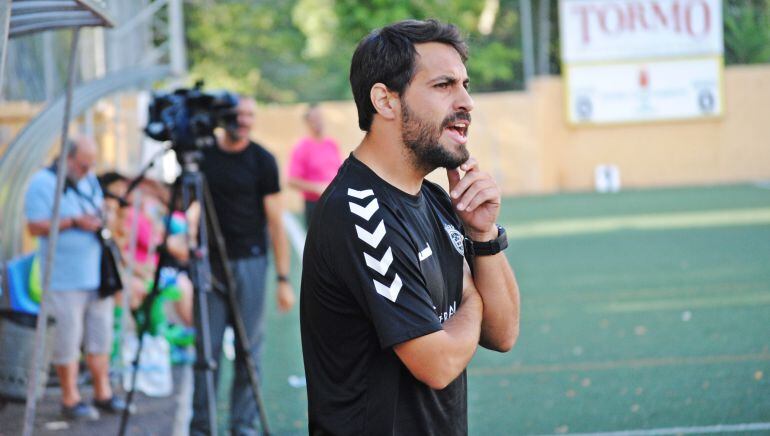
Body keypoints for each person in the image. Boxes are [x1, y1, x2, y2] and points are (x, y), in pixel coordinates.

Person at [299, 19, 521, 435]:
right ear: (385, 101)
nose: (467, 101)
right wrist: (471, 298)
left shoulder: (436, 200)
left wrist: (483, 235)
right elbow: (438, 364)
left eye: (465, 85)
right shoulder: (359, 215)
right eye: (443, 86)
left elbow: (504, 332)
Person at [191, 96, 296, 435]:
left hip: (250, 262)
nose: (245, 120)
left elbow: (275, 223)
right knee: (206, 353)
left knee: (247, 351)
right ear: (225, 117)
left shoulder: (262, 160)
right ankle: (202, 427)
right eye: (239, 114)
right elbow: (186, 205)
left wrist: (282, 278)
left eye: (251, 114)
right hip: (209, 265)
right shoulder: (203, 156)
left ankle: (243, 426)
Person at [24, 135, 130, 420]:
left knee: (100, 336)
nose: (87, 170)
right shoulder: (43, 184)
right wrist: (74, 222)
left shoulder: (89, 180)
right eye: (84, 165)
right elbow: (34, 227)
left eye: (91, 165)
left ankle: (102, 391)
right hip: (63, 278)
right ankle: (70, 398)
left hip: (96, 276)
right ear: (68, 159)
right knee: (67, 340)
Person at [287, 104, 343, 226]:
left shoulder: (332, 144)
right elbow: (292, 181)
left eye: (320, 118)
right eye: (314, 119)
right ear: (307, 122)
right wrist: (318, 188)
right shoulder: (301, 148)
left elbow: (340, 171)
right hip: (315, 205)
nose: (318, 122)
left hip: (335, 202)